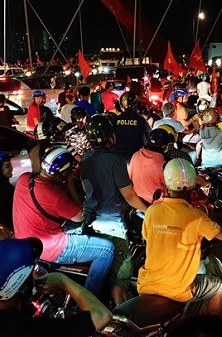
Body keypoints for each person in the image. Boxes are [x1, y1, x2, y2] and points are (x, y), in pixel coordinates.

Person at [138, 158, 222, 317]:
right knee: (218, 287)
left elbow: (147, 236)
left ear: (166, 183)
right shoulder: (196, 216)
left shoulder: (152, 211)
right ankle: (207, 328)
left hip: (146, 284)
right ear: (192, 184)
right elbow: (221, 233)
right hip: (179, 289)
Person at [0, 238, 112, 336]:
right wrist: (63, 281)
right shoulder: (32, 330)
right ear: (22, 288)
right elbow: (102, 315)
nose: (36, 274)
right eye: (32, 272)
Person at [13, 147, 113, 294]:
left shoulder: (24, 179)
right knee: (107, 249)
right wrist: (71, 184)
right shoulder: (55, 196)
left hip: (25, 241)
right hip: (52, 248)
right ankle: (90, 296)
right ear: (64, 173)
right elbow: (80, 216)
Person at [81, 115, 148, 304]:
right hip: (111, 225)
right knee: (122, 273)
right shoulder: (115, 160)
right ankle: (121, 315)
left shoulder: (86, 158)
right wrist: (149, 210)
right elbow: (129, 196)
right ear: (110, 137)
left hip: (89, 221)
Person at [128, 128, 169, 204]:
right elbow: (169, 189)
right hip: (158, 205)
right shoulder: (163, 166)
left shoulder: (135, 156)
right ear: (163, 146)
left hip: (138, 203)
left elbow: (129, 179)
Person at [113, 91, 151, 161]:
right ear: (135, 104)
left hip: (118, 155)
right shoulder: (140, 120)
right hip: (136, 156)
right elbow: (149, 135)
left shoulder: (116, 119)